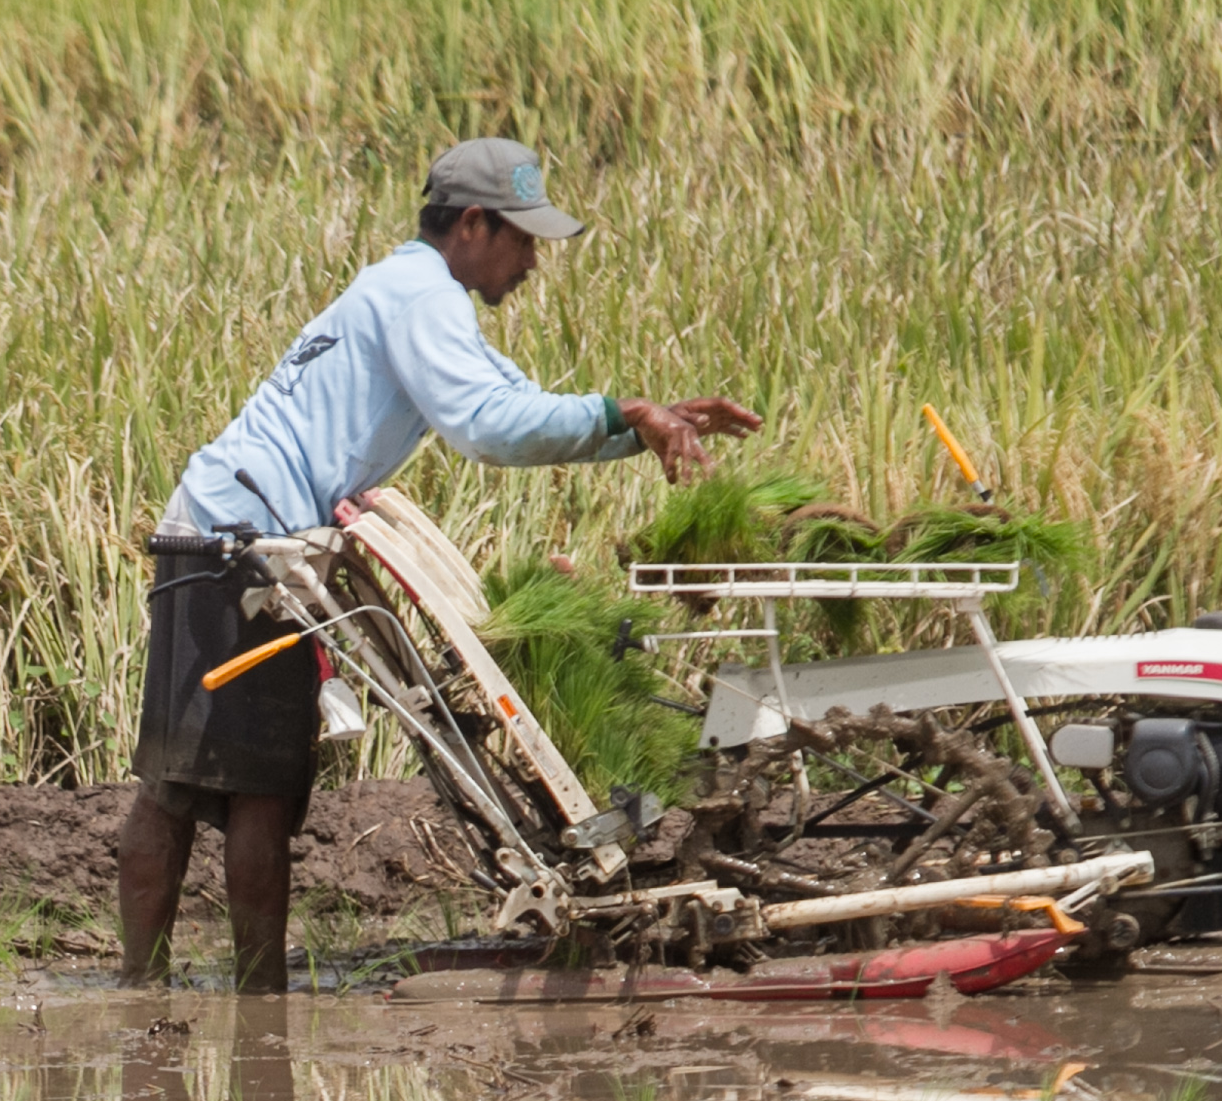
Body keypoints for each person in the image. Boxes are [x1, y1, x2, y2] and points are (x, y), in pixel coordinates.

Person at [120, 138, 762, 992]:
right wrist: (626, 413)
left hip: (230, 530)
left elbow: (513, 400)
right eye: (523, 238)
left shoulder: (414, 291)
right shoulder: (421, 296)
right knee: (242, 791)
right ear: (471, 224)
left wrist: (638, 425)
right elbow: (487, 426)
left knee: (203, 785)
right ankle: (245, 1008)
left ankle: (174, 992)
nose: (532, 260)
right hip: (242, 543)